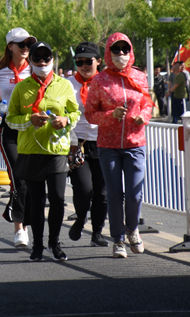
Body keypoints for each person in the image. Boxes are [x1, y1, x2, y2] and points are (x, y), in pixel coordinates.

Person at [6, 42, 80, 262]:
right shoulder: (21, 88)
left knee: (57, 199)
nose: (41, 62)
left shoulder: (64, 85)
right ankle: (37, 245)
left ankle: (54, 242)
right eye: (37, 58)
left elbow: (75, 113)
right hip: (30, 151)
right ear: (30, 61)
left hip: (56, 150)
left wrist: (66, 119)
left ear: (52, 60)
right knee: (36, 201)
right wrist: (30, 119)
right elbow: (10, 120)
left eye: (46, 57)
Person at [85, 33, 153, 259]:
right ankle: (118, 240)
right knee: (114, 194)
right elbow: (90, 114)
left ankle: (132, 229)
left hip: (135, 144)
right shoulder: (99, 80)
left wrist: (144, 116)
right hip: (108, 146)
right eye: (116, 50)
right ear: (108, 53)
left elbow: (147, 103)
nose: (121, 54)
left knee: (134, 194)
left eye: (125, 50)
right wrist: (110, 115)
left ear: (131, 51)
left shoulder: (140, 77)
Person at [0, 27, 36, 248]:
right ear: (10, 47)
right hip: (9, 132)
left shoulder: (36, 69)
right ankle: (19, 229)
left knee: (32, 182)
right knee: (18, 179)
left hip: (33, 132)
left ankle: (27, 220)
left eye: (28, 45)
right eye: (21, 45)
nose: (26, 49)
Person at [66, 42, 108, 248]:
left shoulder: (107, 82)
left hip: (104, 144)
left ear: (98, 61)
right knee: (84, 189)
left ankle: (97, 232)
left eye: (88, 61)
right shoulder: (66, 84)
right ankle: (81, 219)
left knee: (102, 192)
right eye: (79, 62)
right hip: (77, 145)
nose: (83, 66)